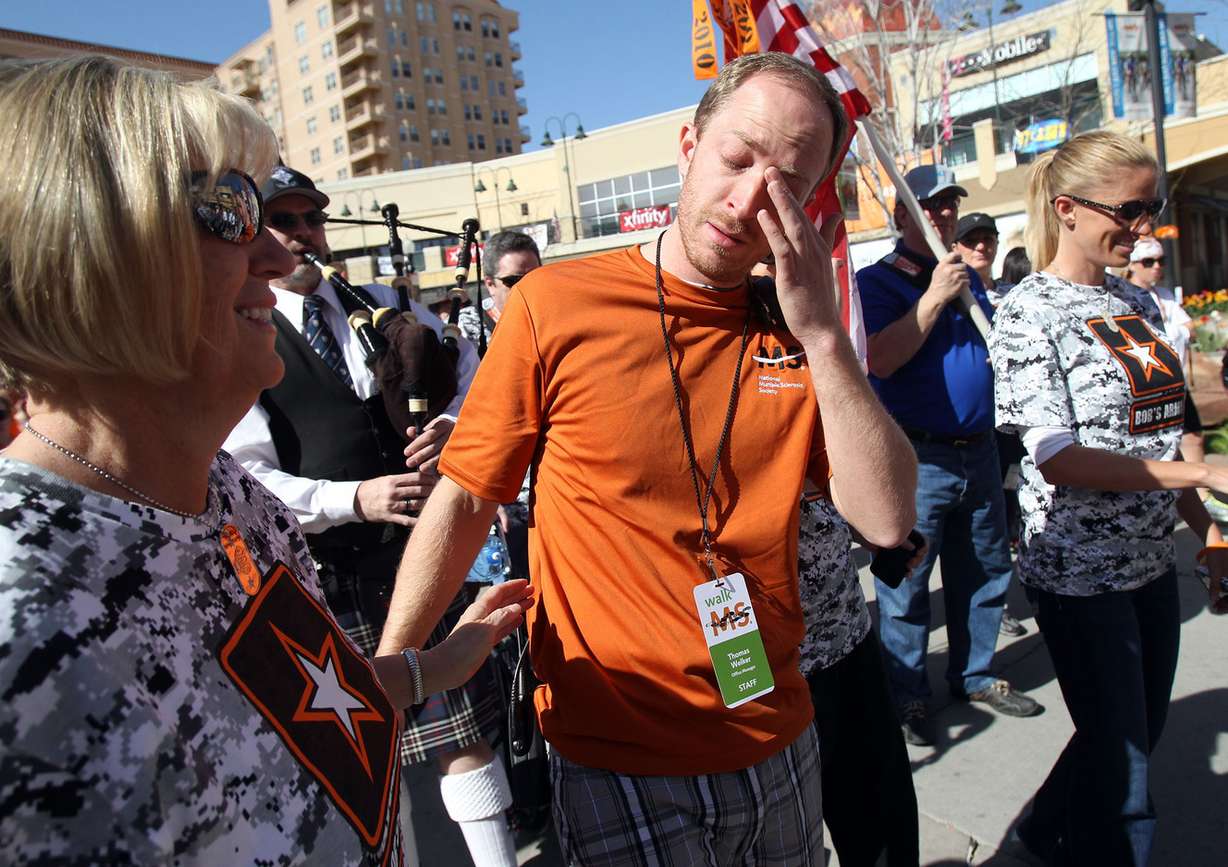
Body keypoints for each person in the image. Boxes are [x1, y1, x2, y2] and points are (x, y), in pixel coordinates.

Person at [375, 52, 918, 864]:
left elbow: (884, 517)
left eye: (785, 185)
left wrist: (823, 337)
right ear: (688, 145)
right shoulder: (554, 305)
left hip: (778, 732)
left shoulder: (797, 331)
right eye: (737, 160)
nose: (747, 201)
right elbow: (464, 499)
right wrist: (387, 675)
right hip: (616, 751)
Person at [0, 55, 532, 865]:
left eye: (283, 218)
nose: (281, 258)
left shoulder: (227, 494)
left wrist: (424, 670)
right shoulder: (24, 617)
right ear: (93, 253)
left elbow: (289, 709)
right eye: (227, 211)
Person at [220, 169, 516, 866]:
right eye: (281, 220)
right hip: (333, 573)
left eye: (309, 218)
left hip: (420, 554)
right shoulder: (253, 330)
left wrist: (453, 425)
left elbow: (479, 378)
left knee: (464, 740)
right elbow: (247, 474)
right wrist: (354, 498)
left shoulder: (383, 303)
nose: (300, 234)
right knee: (361, 747)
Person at [990, 130, 1228, 866]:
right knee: (1125, 772)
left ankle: (1043, 824)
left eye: (1150, 207)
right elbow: (1058, 459)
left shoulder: (1137, 301)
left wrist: (1210, 536)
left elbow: (1173, 434)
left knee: (1133, 729)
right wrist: (1204, 478)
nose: (1144, 227)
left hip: (1153, 560)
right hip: (1077, 571)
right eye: (1129, 209)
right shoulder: (1028, 311)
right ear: (1067, 208)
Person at [859, 164, 1042, 747]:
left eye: (949, 205)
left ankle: (976, 674)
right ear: (902, 215)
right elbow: (882, 360)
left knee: (986, 570)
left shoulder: (971, 277)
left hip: (980, 452)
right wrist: (936, 296)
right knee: (907, 588)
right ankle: (908, 695)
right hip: (917, 457)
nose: (942, 215)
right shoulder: (879, 282)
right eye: (928, 205)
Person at [797, 495, 921, 867]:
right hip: (756, 677)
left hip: (846, 640)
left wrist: (863, 523)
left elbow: (827, 483)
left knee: (882, 831)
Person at [457, 230, 542, 346]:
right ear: (490, 284)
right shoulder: (463, 329)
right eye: (514, 281)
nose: (527, 288)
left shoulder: (553, 318)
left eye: (535, 277)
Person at [953, 211, 1005, 306]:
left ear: (997, 243)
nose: (981, 246)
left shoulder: (1015, 293)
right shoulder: (952, 296)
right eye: (970, 241)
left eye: (987, 239)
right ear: (954, 249)